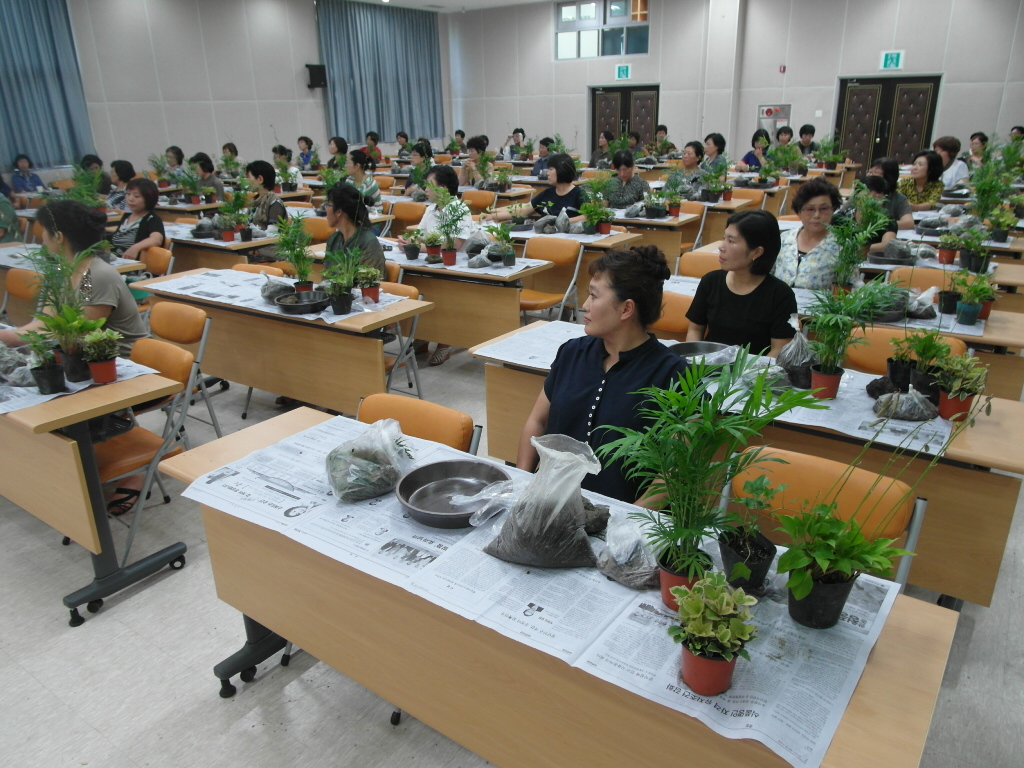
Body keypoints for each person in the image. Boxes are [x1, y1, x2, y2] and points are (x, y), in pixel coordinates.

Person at [516, 245, 688, 503]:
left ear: (626, 309)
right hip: (550, 503)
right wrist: (522, 483)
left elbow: (673, 471)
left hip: (620, 516)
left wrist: (628, 522)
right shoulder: (572, 353)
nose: (584, 306)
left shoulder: (673, 375)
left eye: (594, 297)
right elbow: (537, 422)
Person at [0, 199, 146, 354]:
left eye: (44, 231)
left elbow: (77, 334)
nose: (42, 237)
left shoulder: (93, 275)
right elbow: (48, 322)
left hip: (118, 361)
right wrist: (10, 336)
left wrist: (10, 338)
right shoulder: (63, 270)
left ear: (58, 237)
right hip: (82, 356)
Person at [685, 209, 797, 357]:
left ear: (756, 252)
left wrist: (746, 377)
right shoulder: (710, 281)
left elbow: (779, 349)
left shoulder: (781, 295)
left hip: (754, 375)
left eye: (731, 241)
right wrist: (694, 361)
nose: (721, 247)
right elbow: (695, 330)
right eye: (724, 238)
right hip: (708, 368)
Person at [396, 165, 475, 366]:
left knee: (440, 293)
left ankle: (444, 341)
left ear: (445, 188)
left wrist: (420, 248)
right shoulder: (431, 209)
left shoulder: (458, 209)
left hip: (454, 269)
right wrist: (407, 241)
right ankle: (422, 336)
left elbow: (455, 245)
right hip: (430, 265)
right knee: (415, 285)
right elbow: (420, 236)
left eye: (430, 186)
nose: (425, 190)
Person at [773, 178, 843, 289]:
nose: (816, 215)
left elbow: (851, 287)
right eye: (810, 209)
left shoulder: (841, 246)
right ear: (799, 212)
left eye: (824, 209)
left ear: (833, 210)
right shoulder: (783, 240)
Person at [481, 154, 583, 221]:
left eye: (551, 169)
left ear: (561, 171)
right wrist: (493, 214)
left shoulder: (579, 194)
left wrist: (563, 222)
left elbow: (589, 217)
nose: (547, 173)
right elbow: (523, 209)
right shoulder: (548, 193)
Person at [323, 182, 385, 275]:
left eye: (328, 205)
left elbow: (370, 284)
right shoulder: (333, 239)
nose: (325, 209)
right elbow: (326, 276)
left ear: (339, 211)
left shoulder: (368, 242)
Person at [110, 178, 165, 259]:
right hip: (117, 261)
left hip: (134, 267)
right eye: (128, 194)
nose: (130, 199)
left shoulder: (152, 219)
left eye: (136, 196)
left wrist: (135, 248)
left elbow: (156, 239)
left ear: (148, 199)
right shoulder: (126, 216)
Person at [866, 157, 913, 229]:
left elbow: (908, 223)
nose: (870, 176)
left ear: (889, 177)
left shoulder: (898, 198)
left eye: (876, 173)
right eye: (870, 172)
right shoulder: (861, 194)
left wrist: (879, 225)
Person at [862, 175, 900, 253]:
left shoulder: (887, 219)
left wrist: (855, 249)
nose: (870, 201)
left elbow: (887, 245)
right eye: (867, 195)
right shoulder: (842, 216)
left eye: (877, 197)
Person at [245, 160, 287, 229]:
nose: (246, 181)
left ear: (260, 179)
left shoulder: (275, 203)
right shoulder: (254, 200)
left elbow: (272, 234)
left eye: (249, 177)